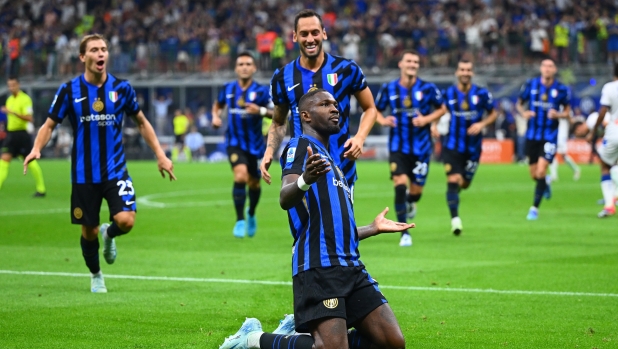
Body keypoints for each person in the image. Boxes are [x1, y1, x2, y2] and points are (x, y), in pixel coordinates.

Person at [219, 89, 412, 349]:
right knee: (332, 348)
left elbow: (334, 227)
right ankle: (252, 339)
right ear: (306, 115)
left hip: (351, 266)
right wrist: (304, 179)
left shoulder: (332, 161)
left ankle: (307, 338)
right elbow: (285, 198)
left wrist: (373, 228)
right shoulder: (299, 147)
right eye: (325, 104)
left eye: (335, 104)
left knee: (392, 343)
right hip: (319, 266)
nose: (335, 108)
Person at [23, 34, 175, 293]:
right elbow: (49, 125)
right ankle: (96, 275)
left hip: (116, 170)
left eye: (104, 49)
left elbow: (141, 122)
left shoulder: (122, 88)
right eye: (94, 49)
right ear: (83, 57)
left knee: (126, 220)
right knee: (88, 230)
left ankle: (110, 234)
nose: (101, 53)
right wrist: (37, 148)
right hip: (84, 174)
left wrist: (160, 154)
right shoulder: (69, 90)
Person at [261, 9, 378, 195]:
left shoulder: (347, 69)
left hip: (341, 167)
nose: (310, 39)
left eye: (315, 32)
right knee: (307, 225)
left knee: (340, 224)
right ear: (294, 36)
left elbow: (370, 108)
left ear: (324, 33)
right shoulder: (282, 77)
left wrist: (360, 138)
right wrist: (269, 151)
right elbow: (278, 121)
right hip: (302, 169)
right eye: (304, 34)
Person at [374, 50, 446, 246]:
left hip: (422, 148)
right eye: (409, 61)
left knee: (415, 193)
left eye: (415, 62)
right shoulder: (389, 88)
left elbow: (442, 108)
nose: (412, 64)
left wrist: (428, 121)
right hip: (398, 147)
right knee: (399, 184)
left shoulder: (428, 88)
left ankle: (411, 200)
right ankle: (404, 233)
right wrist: (383, 120)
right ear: (401, 64)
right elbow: (375, 110)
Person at [212, 52, 273, 238]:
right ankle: (239, 220)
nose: (244, 67)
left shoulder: (261, 91)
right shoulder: (228, 88)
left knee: (254, 183)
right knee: (240, 176)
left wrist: (261, 110)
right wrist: (215, 115)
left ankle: (251, 213)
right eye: (241, 64)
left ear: (254, 68)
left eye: (248, 64)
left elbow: (277, 113)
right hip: (234, 142)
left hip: (255, 145)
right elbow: (218, 104)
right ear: (236, 68)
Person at [440, 59, 497, 235]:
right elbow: (439, 110)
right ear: (457, 72)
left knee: (464, 184)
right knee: (452, 180)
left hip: (473, 148)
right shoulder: (448, 93)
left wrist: (482, 124)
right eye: (462, 69)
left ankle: (456, 192)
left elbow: (493, 113)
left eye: (468, 70)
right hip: (452, 146)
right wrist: (434, 126)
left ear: (472, 73)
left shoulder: (481, 93)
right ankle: (455, 221)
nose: (465, 72)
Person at [516, 58, 571, 220]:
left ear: (554, 70)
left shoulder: (561, 89)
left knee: (541, 170)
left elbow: (568, 112)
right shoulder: (530, 85)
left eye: (551, 66)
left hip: (549, 136)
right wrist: (523, 113)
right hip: (532, 135)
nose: (547, 69)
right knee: (534, 175)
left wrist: (559, 114)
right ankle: (545, 184)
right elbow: (519, 104)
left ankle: (534, 209)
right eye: (545, 66)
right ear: (541, 69)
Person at [0, 76, 46, 197]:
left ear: (18, 85)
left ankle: (41, 189)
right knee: (4, 160)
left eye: (13, 85)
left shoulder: (25, 99)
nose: (11, 88)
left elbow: (29, 118)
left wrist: (12, 112)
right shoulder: (9, 99)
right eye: (9, 85)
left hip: (21, 134)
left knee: (30, 161)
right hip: (11, 134)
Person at [591, 63, 618, 217]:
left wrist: (594, 131)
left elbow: (602, 112)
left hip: (614, 131)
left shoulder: (609, 87)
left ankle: (609, 205)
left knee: (605, 165)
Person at [549, 114, 581, 181]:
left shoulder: (565, 106)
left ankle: (576, 169)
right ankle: (554, 175)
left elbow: (570, 117)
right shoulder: (553, 104)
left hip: (562, 132)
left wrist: (557, 115)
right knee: (551, 152)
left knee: (563, 155)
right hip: (553, 131)